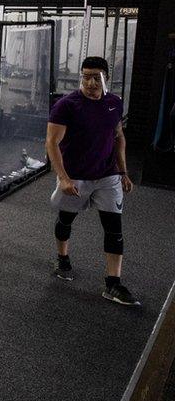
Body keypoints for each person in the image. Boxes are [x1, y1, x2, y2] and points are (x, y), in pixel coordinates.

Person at [46, 56, 139, 306]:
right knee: (66, 219)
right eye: (85, 76)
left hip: (107, 176)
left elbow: (119, 137)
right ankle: (62, 258)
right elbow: (52, 143)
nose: (90, 82)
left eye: (96, 77)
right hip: (75, 176)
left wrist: (123, 172)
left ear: (106, 78)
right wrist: (64, 178)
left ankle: (113, 284)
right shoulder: (66, 105)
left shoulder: (114, 103)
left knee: (114, 228)